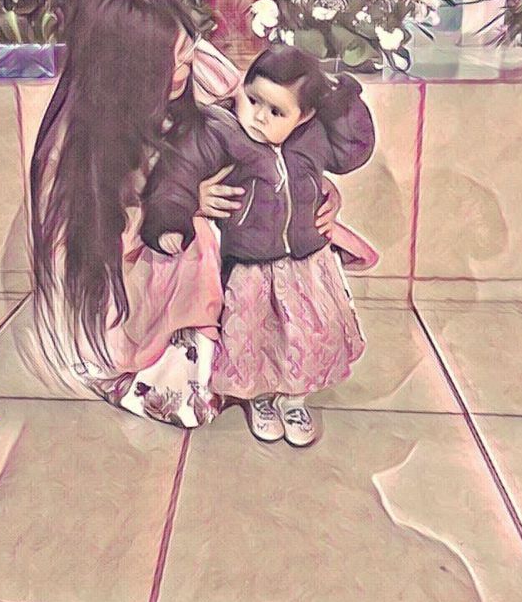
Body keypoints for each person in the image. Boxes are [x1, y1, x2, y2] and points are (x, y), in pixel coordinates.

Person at [29, 0, 343, 428]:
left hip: (238, 231)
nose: (189, 64)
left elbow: (268, 126)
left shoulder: (197, 69)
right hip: (132, 270)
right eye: (175, 61)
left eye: (189, 52)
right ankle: (190, 364)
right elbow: (87, 243)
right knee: (197, 241)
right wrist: (182, 205)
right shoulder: (78, 144)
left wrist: (313, 183)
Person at [140, 43, 378, 446]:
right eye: (253, 100)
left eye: (276, 112)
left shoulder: (314, 137)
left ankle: (294, 398)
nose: (259, 117)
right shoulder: (221, 133)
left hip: (307, 263)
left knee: (309, 333)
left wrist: (340, 99)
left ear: (304, 116)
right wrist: (170, 219)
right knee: (255, 337)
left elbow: (353, 149)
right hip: (249, 265)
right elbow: (178, 174)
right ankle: (261, 399)